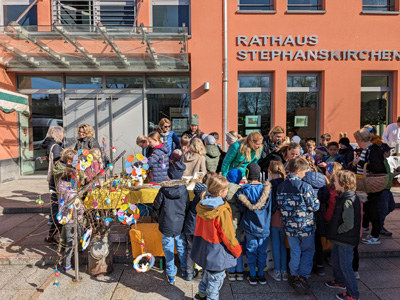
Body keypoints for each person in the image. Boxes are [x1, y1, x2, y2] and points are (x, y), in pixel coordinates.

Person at [191, 175, 242, 300]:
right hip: (217, 250)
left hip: (204, 247)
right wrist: (236, 249)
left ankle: (201, 295)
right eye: (226, 190)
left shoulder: (202, 204)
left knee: (207, 275)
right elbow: (227, 234)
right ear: (220, 192)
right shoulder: (221, 210)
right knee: (215, 282)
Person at [277, 157, 320, 295]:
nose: (306, 174)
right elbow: (314, 206)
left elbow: (279, 205)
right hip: (306, 226)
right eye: (305, 171)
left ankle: (294, 274)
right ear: (298, 170)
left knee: (295, 251)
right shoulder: (305, 186)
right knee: (307, 250)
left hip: (290, 226)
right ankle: (303, 276)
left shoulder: (281, 186)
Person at [325, 170, 361, 300]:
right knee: (336, 261)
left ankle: (353, 294)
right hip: (340, 239)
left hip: (345, 239)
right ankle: (340, 281)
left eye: (335, 181)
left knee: (346, 267)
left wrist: (337, 231)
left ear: (344, 184)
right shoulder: (344, 196)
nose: (333, 183)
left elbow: (348, 224)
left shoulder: (348, 200)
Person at [152, 162, 189, 285]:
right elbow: (187, 206)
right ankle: (185, 270)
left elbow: (156, 205)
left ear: (169, 176)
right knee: (181, 247)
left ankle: (171, 274)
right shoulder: (184, 189)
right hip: (180, 224)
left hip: (166, 223)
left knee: (168, 249)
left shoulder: (163, 189)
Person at [237, 163, 272, 285]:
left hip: (250, 224)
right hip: (264, 225)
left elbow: (241, 209)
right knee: (262, 250)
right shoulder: (267, 190)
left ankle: (252, 275)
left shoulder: (244, 190)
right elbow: (271, 208)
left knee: (251, 249)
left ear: (247, 175)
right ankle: (261, 275)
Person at [353, 128, 386, 245]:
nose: (357, 142)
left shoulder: (373, 150)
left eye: (357, 140)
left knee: (372, 209)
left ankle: (375, 235)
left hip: (372, 185)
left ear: (361, 139)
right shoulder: (366, 149)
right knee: (367, 207)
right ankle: (366, 227)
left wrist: (359, 163)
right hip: (367, 185)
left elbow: (376, 167)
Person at [183, 173, 215, 282]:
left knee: (190, 250)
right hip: (202, 229)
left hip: (190, 227)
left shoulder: (195, 196)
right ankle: (206, 271)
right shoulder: (210, 199)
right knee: (205, 250)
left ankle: (189, 273)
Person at [58, 149, 85, 271]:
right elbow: (76, 204)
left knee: (71, 237)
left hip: (66, 216)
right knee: (71, 241)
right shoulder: (71, 192)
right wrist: (81, 211)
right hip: (71, 217)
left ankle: (72, 256)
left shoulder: (62, 183)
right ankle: (67, 263)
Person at [302, 170, 330, 277]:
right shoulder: (323, 189)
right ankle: (319, 265)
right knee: (318, 243)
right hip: (319, 218)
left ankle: (305, 266)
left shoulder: (305, 189)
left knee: (306, 245)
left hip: (307, 220)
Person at [42, 126, 64, 244]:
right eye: (62, 134)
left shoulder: (50, 145)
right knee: (58, 209)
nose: (63, 136)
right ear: (58, 135)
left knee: (56, 208)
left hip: (53, 181)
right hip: (56, 181)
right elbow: (58, 166)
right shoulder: (55, 147)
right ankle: (56, 236)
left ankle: (51, 236)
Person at [267, 161, 288, 282]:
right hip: (285, 216)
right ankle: (284, 271)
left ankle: (277, 270)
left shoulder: (270, 185)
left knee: (275, 243)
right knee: (282, 244)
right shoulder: (286, 183)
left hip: (274, 216)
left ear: (270, 171)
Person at [225, 169, 244, 282]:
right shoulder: (240, 191)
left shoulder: (224, 191)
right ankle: (240, 271)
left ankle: (231, 272)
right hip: (238, 224)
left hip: (227, 225)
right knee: (238, 247)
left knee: (229, 248)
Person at [379, 143, 397, 236]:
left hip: (387, 187)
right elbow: (383, 175)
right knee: (384, 208)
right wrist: (393, 175)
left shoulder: (385, 161)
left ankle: (378, 222)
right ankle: (379, 225)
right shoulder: (381, 161)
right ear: (385, 152)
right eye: (388, 151)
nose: (389, 152)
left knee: (391, 206)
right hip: (383, 187)